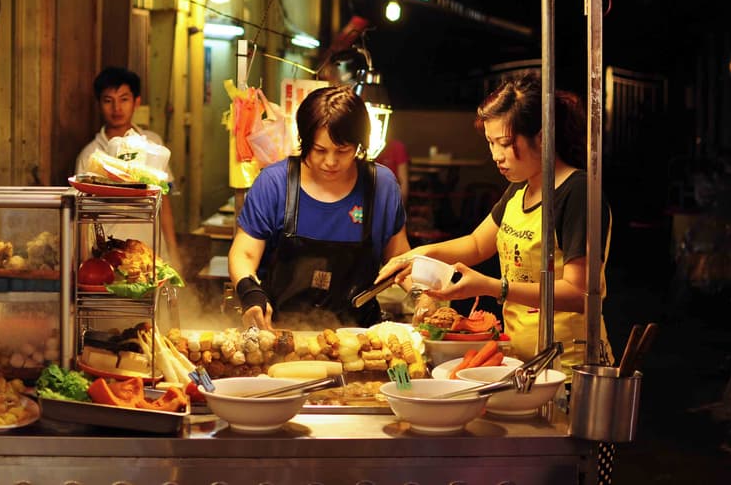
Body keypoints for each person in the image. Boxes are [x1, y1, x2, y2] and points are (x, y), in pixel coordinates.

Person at [376, 72, 613, 372]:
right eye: (491, 143)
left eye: (505, 143)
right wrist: (416, 255)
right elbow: (476, 244)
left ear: (543, 137)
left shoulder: (577, 192)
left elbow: (580, 294)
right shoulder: (522, 187)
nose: (496, 156)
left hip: (568, 367)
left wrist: (493, 287)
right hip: (521, 362)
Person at [228, 85, 411, 330]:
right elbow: (244, 253)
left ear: (359, 145)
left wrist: (423, 294)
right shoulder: (275, 183)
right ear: (305, 141)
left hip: (359, 336)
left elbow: (399, 258)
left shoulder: (381, 185)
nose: (331, 162)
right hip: (278, 331)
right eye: (320, 150)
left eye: (343, 150)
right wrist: (251, 293)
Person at [75, 67, 181, 268]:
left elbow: (164, 201)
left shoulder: (153, 146)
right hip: (109, 257)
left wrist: (173, 250)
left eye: (124, 99)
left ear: (136, 102)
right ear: (99, 104)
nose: (116, 108)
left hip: (152, 251)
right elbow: (83, 215)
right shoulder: (89, 155)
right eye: (108, 100)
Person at [375, 137, 410, 202]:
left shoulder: (397, 147)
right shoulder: (365, 150)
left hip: (392, 196)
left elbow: (403, 182)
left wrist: (400, 206)